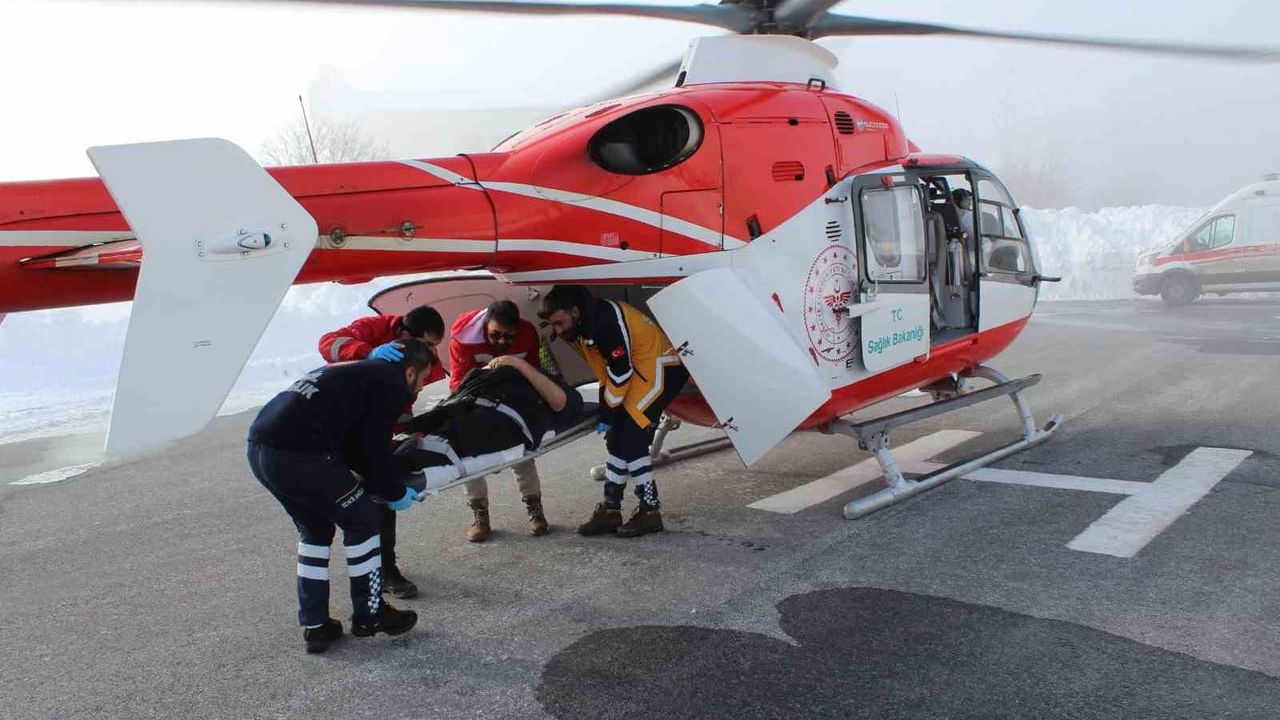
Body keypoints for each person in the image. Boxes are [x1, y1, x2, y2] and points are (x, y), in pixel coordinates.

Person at [246, 339, 436, 654]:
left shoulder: (357, 371)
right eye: (423, 379)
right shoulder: (391, 383)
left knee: (316, 530)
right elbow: (371, 449)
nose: (420, 387)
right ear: (410, 372)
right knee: (364, 519)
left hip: (260, 448)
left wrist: (376, 481)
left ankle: (316, 625)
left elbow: (352, 444)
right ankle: (370, 615)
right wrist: (395, 492)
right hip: (299, 454)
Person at [538, 286, 689, 538]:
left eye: (559, 322)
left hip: (660, 369)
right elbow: (607, 372)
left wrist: (608, 414)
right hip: (639, 370)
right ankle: (611, 509)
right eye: (553, 325)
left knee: (632, 441)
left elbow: (621, 371)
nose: (557, 330)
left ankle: (650, 511)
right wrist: (608, 410)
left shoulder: (604, 321)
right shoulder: (587, 321)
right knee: (617, 439)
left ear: (575, 311)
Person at [317, 305, 445, 600]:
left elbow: (402, 402)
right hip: (339, 428)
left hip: (368, 428)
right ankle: (367, 585)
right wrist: (367, 352)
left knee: (381, 497)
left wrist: (407, 431)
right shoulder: (375, 331)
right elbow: (329, 342)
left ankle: (385, 571)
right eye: (426, 345)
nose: (430, 354)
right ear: (403, 335)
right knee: (353, 507)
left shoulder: (414, 364)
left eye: (433, 347)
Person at [393, 356, 588, 497]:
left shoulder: (548, 386)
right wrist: (418, 426)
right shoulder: (487, 373)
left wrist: (519, 365)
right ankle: (387, 460)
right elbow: (454, 401)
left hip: (503, 423)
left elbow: (560, 403)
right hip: (468, 410)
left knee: (452, 442)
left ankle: (393, 467)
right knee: (438, 430)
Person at [448, 300, 548, 542]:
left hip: (512, 396)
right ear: (485, 326)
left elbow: (534, 371)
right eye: (496, 335)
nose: (502, 342)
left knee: (523, 451)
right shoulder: (463, 335)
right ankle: (480, 515)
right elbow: (457, 384)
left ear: (518, 329)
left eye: (509, 337)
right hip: (473, 398)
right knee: (467, 454)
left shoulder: (527, 332)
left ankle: (535, 509)